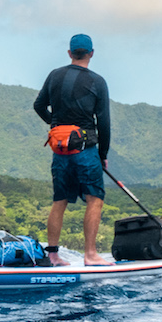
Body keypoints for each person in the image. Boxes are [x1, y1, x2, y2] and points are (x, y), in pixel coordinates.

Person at [33, 34, 112, 266]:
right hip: (86, 150)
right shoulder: (98, 81)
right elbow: (104, 122)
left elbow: (38, 105)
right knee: (94, 199)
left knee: (60, 200)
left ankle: (53, 255)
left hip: (60, 150)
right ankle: (90, 255)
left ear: (69, 53)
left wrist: (56, 125)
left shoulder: (54, 75)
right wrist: (103, 154)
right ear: (91, 53)